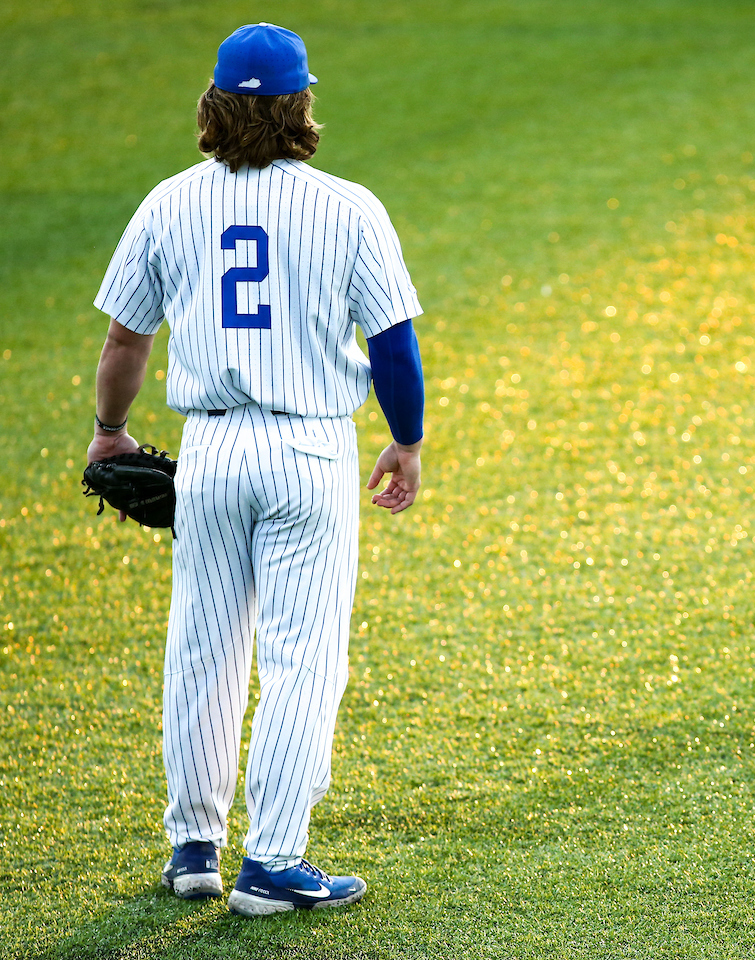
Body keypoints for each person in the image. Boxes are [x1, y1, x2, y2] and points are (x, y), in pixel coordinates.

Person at [87, 22, 425, 916]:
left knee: (202, 646)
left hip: (211, 448)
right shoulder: (350, 207)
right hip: (309, 448)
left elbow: (125, 339)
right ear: (300, 106)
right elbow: (392, 339)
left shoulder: (169, 203)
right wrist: (408, 437)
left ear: (214, 106)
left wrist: (109, 432)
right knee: (302, 658)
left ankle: (193, 849)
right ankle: (273, 860)